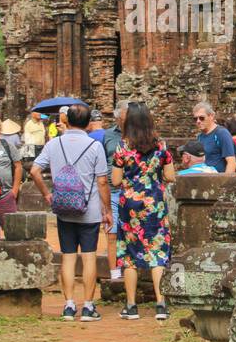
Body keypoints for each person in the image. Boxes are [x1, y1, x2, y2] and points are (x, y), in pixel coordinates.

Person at [31, 103, 111, 322]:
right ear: (87, 123)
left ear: (67, 120)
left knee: (67, 257)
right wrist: (108, 209)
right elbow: (102, 181)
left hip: (63, 208)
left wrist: (48, 194)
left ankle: (68, 305)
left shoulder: (54, 143)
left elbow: (35, 170)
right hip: (89, 209)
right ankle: (87, 306)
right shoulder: (94, 146)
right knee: (88, 257)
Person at [111, 103, 176, 321]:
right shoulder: (161, 146)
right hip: (155, 203)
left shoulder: (122, 147)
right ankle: (161, 304)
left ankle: (131, 306)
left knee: (130, 254)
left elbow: (115, 180)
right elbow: (170, 176)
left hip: (130, 205)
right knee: (157, 252)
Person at [103, 102, 128, 275]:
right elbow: (103, 158)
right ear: (118, 117)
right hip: (112, 190)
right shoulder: (108, 135)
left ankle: (130, 270)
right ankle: (114, 273)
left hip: (133, 190)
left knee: (132, 232)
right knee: (112, 233)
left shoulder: (138, 135)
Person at [193, 101, 236, 173]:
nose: (198, 121)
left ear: (211, 116)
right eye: (195, 119)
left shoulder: (222, 133)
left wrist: (225, 182)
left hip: (219, 180)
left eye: (201, 118)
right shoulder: (200, 137)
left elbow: (232, 163)